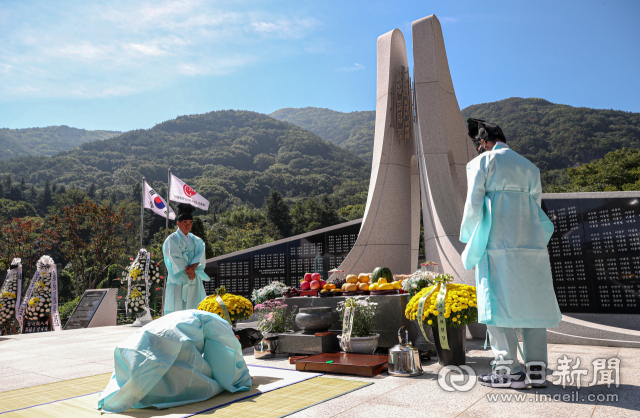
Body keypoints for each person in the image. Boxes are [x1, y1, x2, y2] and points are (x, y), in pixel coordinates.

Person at [460, 118, 562, 389]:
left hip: (497, 245)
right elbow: (537, 205)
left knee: (497, 304)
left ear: (483, 142)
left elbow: (473, 204)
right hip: (530, 245)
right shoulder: (530, 167)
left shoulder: (482, 163)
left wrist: (469, 237)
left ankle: (508, 370)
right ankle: (537, 371)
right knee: (533, 307)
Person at [97, 310, 262, 413]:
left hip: (154, 332)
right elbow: (225, 358)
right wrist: (242, 378)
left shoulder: (208, 316)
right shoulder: (225, 327)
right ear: (237, 337)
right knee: (202, 382)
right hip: (175, 339)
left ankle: (129, 392)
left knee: (147, 369)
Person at [162, 203, 210, 315]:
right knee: (177, 307)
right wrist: (188, 270)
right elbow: (173, 257)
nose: (188, 225)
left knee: (194, 306)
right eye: (185, 222)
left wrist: (193, 268)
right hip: (179, 278)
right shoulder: (172, 239)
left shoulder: (196, 240)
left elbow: (200, 253)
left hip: (193, 278)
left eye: (190, 223)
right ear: (178, 223)